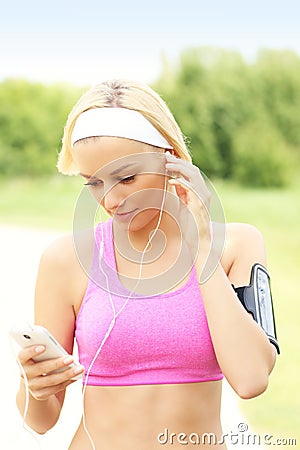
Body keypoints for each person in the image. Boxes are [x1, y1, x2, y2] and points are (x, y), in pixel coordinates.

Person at [15, 79, 277, 449]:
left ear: (170, 159)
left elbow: (251, 379)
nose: (110, 199)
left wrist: (200, 245)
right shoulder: (66, 261)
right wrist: (36, 387)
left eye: (126, 178)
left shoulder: (235, 245)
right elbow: (39, 422)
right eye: (93, 183)